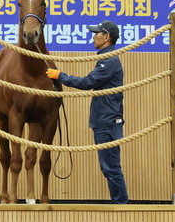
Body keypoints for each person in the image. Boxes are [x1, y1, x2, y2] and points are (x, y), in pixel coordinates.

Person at [45, 20, 128, 204]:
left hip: (108, 122)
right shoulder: (106, 58)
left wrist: (60, 76)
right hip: (105, 121)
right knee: (109, 167)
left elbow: (87, 83)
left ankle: (121, 205)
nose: (93, 36)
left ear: (106, 37)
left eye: (97, 33)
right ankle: (120, 204)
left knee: (111, 168)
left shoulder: (110, 60)